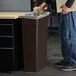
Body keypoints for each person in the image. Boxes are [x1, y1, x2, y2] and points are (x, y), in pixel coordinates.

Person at [39, 0, 76, 71]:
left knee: (70, 36)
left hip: (70, 8)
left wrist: (68, 5)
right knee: (64, 34)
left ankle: (73, 62)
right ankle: (67, 59)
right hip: (64, 7)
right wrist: (46, 2)